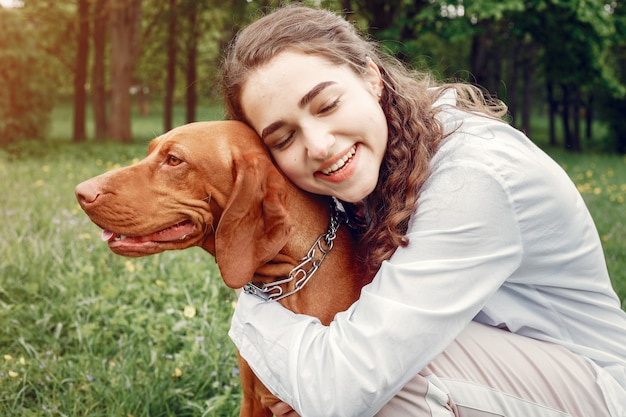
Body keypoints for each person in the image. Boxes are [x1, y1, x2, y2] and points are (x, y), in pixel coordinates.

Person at [221, 5, 626, 417]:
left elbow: (347, 384)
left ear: (371, 77)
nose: (319, 146)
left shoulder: (474, 177)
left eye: (327, 105)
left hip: (597, 392)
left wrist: (254, 310)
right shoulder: (362, 174)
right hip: (507, 381)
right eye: (285, 137)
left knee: (382, 377)